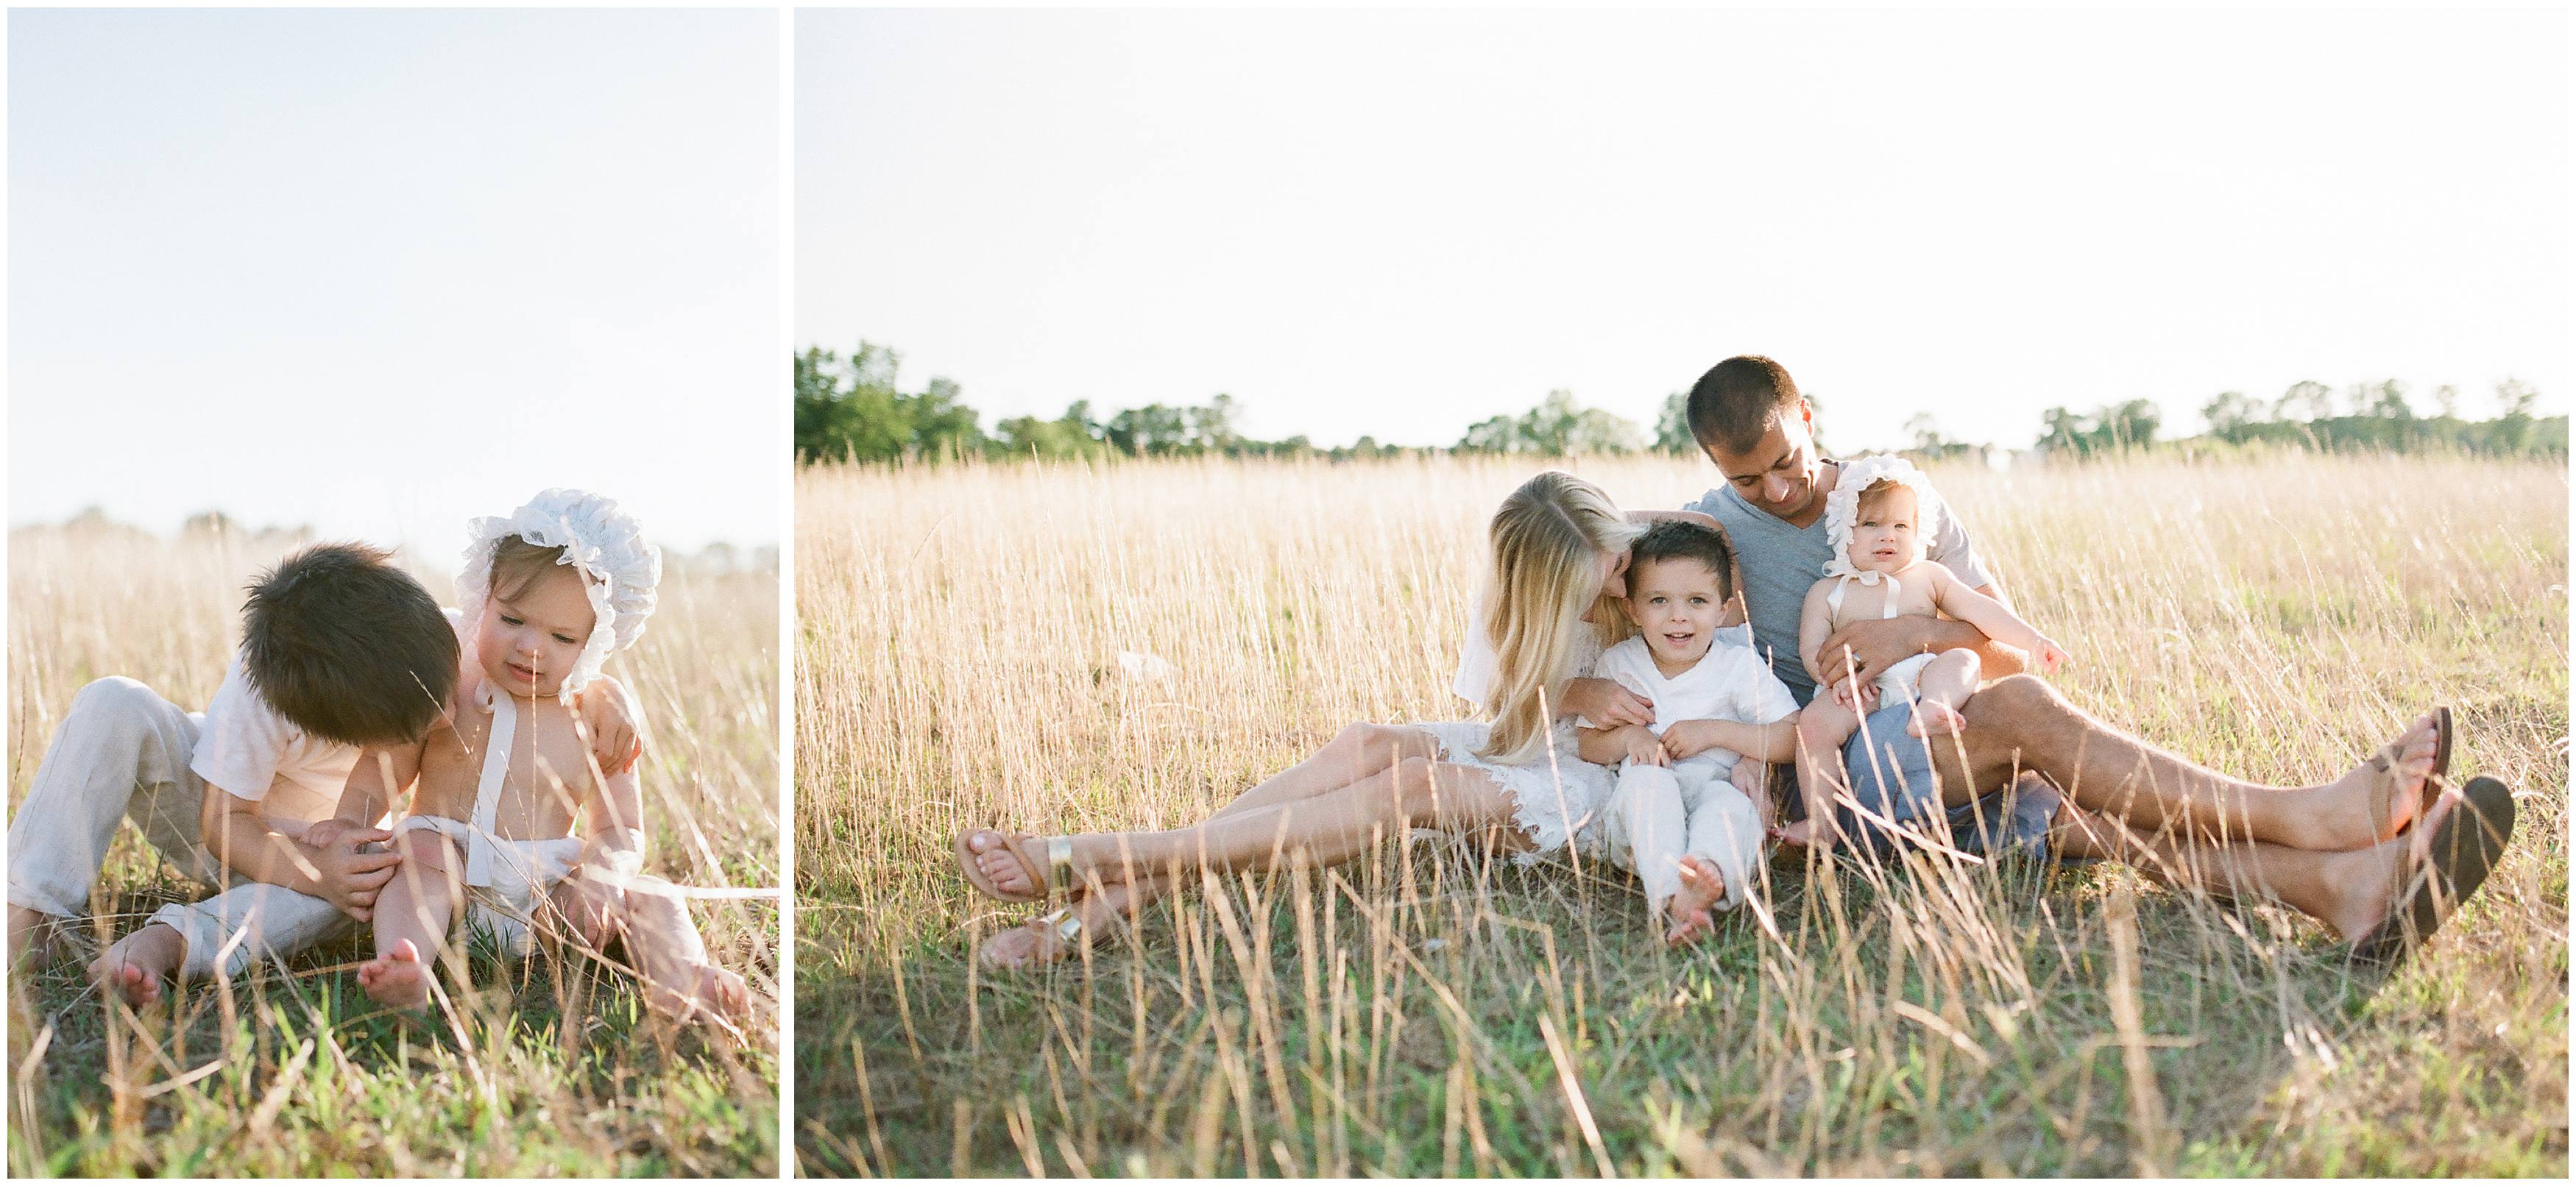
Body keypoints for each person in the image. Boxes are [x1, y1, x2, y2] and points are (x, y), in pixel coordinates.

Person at [1679, 354, 2511, 956]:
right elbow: (1592, 558)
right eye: (1748, 480)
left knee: (2089, 812)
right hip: (1848, 767)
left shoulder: (1894, 502)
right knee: (2028, 718)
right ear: (1715, 469)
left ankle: (2344, 890)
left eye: (1785, 462)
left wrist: (1918, 634)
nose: (1777, 491)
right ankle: (2307, 814)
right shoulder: (1706, 532)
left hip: (1944, 735)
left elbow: (2003, 647)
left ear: (1808, 421)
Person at [957, 470, 1726, 965]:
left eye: (1616, 568)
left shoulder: (1658, 548)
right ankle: (1106, 898)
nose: (1617, 589)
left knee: (1412, 787)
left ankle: (1097, 862)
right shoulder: (1519, 574)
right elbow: (1504, 701)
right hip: (1538, 737)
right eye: (1585, 587)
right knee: (1367, 742)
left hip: (1601, 776)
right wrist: (1574, 695)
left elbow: (1720, 649)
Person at [6, 540, 644, 1007]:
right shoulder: (265, 690)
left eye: (446, 684)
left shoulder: (437, 640)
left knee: (364, 885)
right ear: (355, 733)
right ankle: (24, 914)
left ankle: (169, 942)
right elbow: (223, 825)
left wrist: (606, 691)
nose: (452, 709)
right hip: (224, 818)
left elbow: (544, 652)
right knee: (114, 699)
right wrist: (309, 868)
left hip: (338, 841)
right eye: (422, 718)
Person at [347, 490, 750, 1029]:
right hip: (447, 876)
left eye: (562, 636)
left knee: (652, 893)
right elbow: (383, 768)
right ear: (482, 599)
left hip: (548, 904)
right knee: (422, 853)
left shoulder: (597, 718)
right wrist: (347, 828)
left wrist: (602, 878)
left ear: (595, 641)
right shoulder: (450, 684)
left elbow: (623, 828)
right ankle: (407, 963)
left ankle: (683, 982)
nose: (531, 648)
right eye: (512, 620)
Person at [1783, 455, 2068, 851]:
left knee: (1963, 659)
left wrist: (2034, 641)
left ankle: (1934, 708)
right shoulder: (1828, 592)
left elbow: (1982, 612)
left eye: (1901, 526)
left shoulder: (1929, 576)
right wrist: (1837, 679)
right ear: (1844, 530)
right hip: (1861, 691)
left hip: (1922, 676)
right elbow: (1811, 647)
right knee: (1812, 727)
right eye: (1871, 525)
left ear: (1918, 531)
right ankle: (1822, 821)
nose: (1888, 536)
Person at [1571, 519, 1800, 945]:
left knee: (1731, 810)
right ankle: (1674, 891)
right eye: (1659, 600)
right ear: (1632, 609)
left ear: (1723, 609)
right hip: (1643, 808)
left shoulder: (1737, 666)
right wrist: (1628, 739)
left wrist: (1715, 732)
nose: (1679, 617)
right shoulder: (1622, 664)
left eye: (1697, 600)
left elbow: (1791, 737)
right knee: (1647, 784)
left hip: (1718, 784)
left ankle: (1704, 877)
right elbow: (1587, 743)